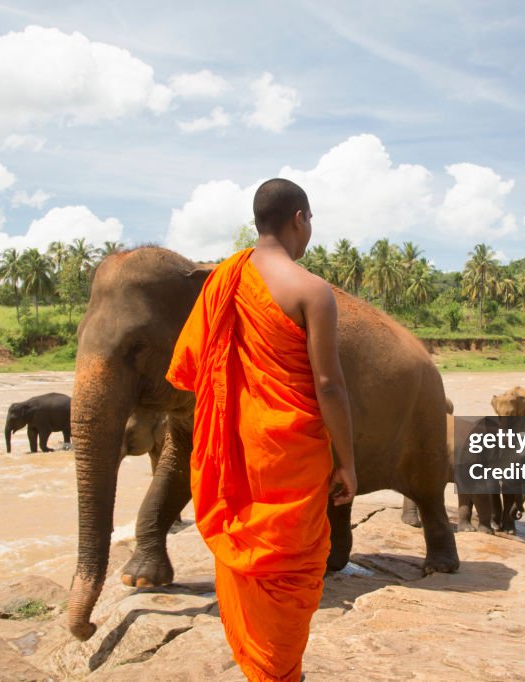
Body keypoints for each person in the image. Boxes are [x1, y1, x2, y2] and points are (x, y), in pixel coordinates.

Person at [165, 178, 357, 681]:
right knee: (290, 575)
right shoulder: (312, 291)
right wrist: (348, 462)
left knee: (247, 563)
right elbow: (330, 387)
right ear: (299, 218)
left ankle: (264, 670)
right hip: (291, 462)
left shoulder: (226, 279)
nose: (310, 229)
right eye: (310, 220)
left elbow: (196, 371)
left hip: (238, 457)